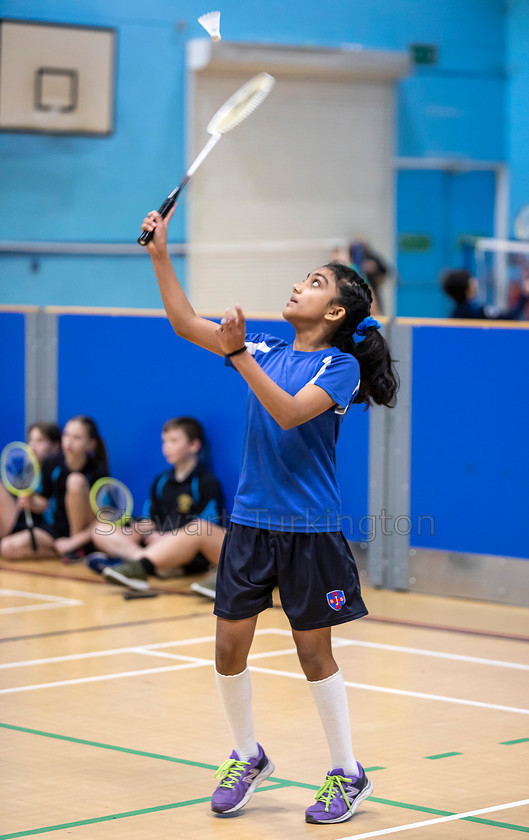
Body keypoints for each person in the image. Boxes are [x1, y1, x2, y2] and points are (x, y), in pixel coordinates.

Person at [140, 204, 399, 825]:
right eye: (302, 278)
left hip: (309, 532)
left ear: (335, 312)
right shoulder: (264, 346)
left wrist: (239, 357)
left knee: (314, 655)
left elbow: (286, 412)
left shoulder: (338, 367)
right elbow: (181, 322)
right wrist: (158, 251)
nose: (298, 286)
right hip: (252, 525)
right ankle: (247, 754)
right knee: (228, 645)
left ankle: (348, 773)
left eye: (314, 283)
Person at [87, 416, 225, 593]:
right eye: (164, 441)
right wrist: (141, 529)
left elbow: (207, 528)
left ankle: (135, 565)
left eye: (174, 441)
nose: (166, 447)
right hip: (154, 541)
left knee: (194, 533)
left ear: (194, 445)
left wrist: (168, 538)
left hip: (186, 550)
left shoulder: (205, 482)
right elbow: (150, 518)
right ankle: (144, 563)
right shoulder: (161, 481)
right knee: (100, 529)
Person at [0, 416, 107, 560]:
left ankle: (77, 549)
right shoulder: (52, 463)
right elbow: (44, 504)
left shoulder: (98, 472)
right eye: (66, 434)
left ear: (90, 444)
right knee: (7, 548)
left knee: (75, 481)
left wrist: (73, 542)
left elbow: (103, 519)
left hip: (81, 534)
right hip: (54, 530)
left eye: (76, 437)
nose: (68, 441)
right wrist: (31, 502)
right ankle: (61, 552)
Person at [0, 422, 61, 545]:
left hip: (46, 527)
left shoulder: (58, 473)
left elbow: (50, 507)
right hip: (23, 520)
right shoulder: (25, 473)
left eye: (40, 441)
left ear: (55, 446)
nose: (32, 446)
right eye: (31, 440)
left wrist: (33, 503)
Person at [442, 268, 529, 319]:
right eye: (471, 280)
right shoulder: (476, 311)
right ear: (467, 290)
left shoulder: (455, 313)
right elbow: (510, 316)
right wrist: (525, 294)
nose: (475, 282)